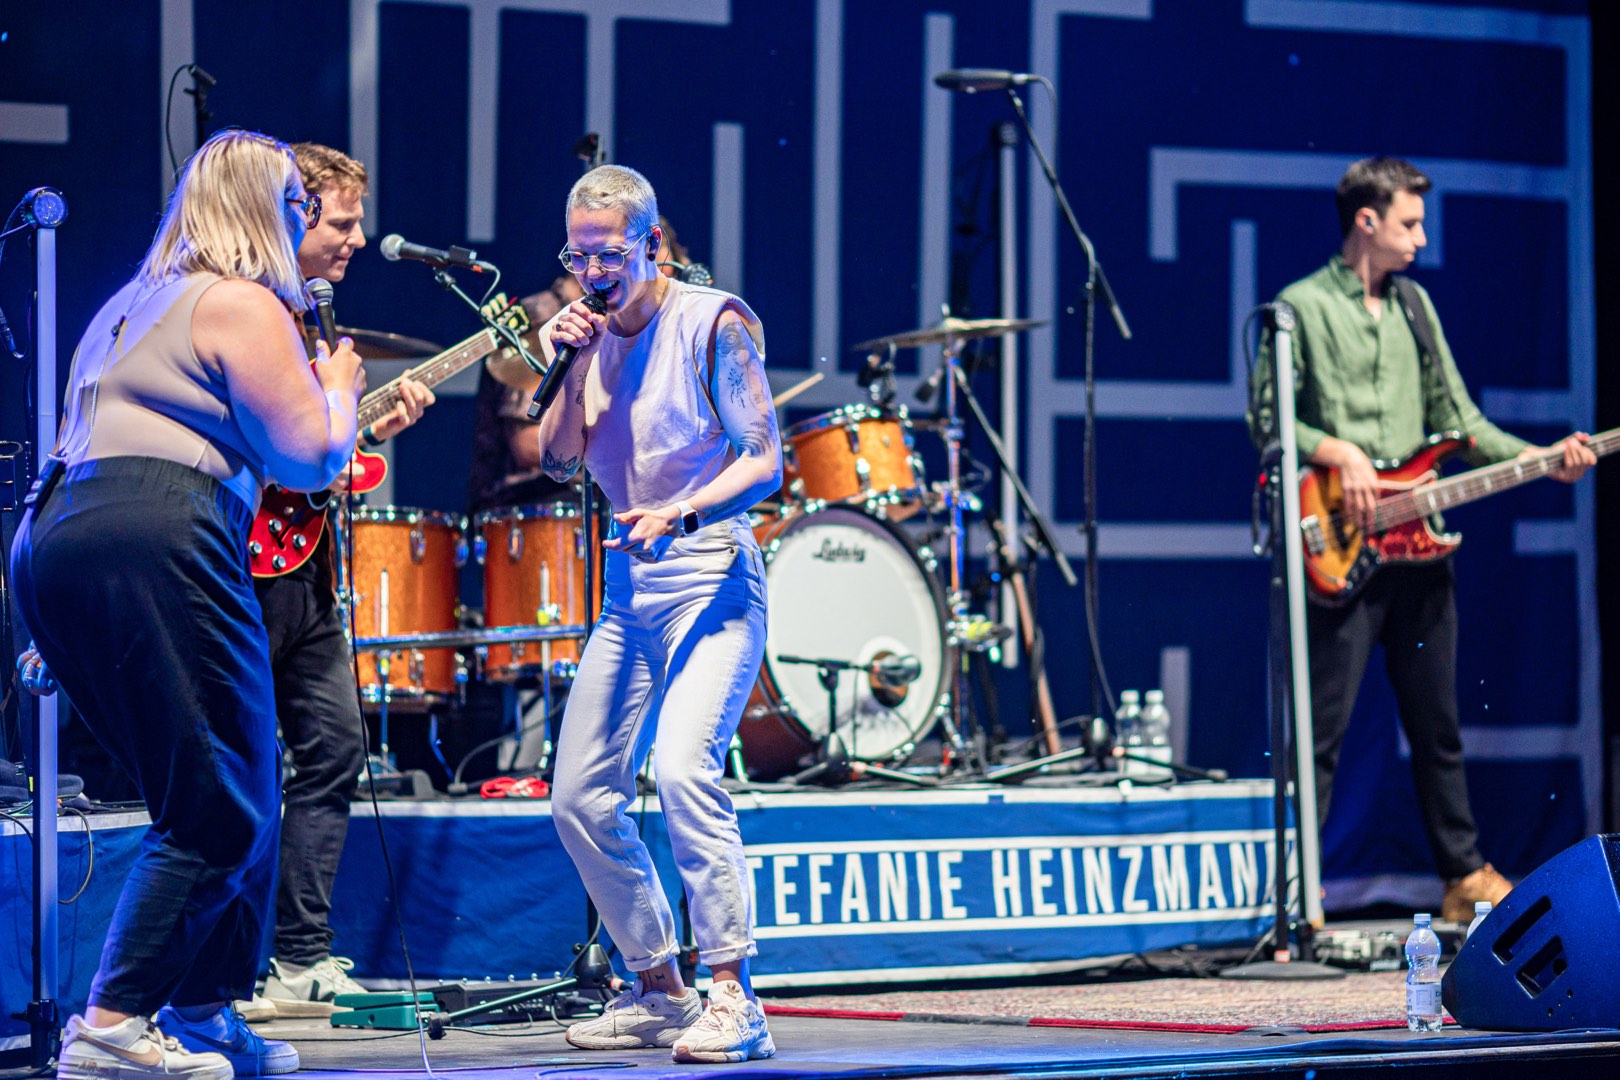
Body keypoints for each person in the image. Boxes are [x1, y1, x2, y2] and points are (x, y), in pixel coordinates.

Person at [10, 129, 363, 1079]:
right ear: (266, 210)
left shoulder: (132, 302)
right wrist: (338, 389)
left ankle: (204, 1010)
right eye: (299, 205)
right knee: (217, 802)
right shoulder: (241, 301)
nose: (308, 222)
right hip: (159, 527)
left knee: (237, 779)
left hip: (59, 533)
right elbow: (311, 458)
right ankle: (112, 1027)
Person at [1248, 156, 1596, 923]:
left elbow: (1460, 422)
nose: (1421, 237)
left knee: (1437, 723)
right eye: (1409, 223)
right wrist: (1336, 450)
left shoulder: (1415, 305)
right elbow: (1267, 420)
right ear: (1366, 221)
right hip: (1338, 543)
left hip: (1417, 547)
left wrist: (1542, 459)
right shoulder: (1301, 306)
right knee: (1322, 730)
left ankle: (1463, 875)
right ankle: (1294, 890)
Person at [536, 165, 780, 1063]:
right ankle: (661, 989)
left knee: (682, 769)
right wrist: (569, 363)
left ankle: (735, 996)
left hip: (713, 574)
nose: (593, 272)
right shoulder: (583, 336)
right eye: (578, 256)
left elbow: (764, 460)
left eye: (609, 254)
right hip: (631, 595)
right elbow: (557, 459)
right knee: (578, 798)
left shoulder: (713, 322)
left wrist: (681, 512)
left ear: (652, 244)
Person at [244, 142, 433, 1020]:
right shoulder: (251, 313)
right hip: (245, 569)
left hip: (307, 568)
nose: (359, 239)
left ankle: (300, 962)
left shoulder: (315, 318)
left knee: (332, 749)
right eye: (346, 222)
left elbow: (318, 454)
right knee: (241, 765)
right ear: (298, 213)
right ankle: (218, 976)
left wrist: (369, 427)